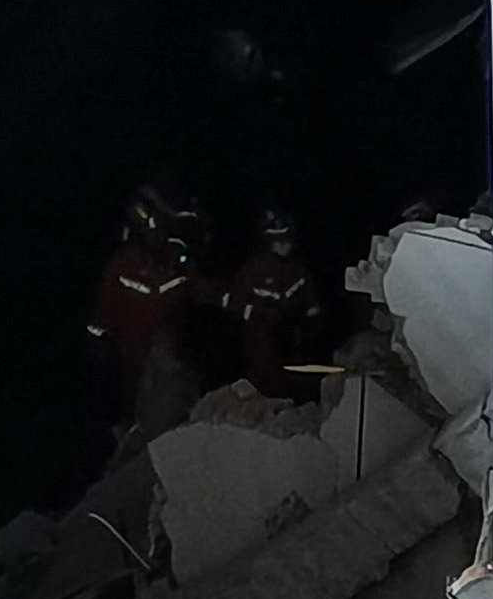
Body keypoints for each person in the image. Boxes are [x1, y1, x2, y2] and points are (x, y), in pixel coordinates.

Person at [87, 179, 229, 431]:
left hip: (168, 369)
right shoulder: (123, 264)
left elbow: (208, 295)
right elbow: (102, 316)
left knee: (169, 414)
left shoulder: (179, 264)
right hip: (130, 365)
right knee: (130, 424)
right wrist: (100, 349)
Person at [225, 204, 326, 396]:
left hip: (292, 349)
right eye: (277, 241)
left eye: (286, 240)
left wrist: (308, 323)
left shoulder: (299, 272)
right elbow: (233, 303)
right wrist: (259, 314)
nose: (283, 245)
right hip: (258, 346)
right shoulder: (253, 271)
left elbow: (313, 308)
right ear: (268, 241)